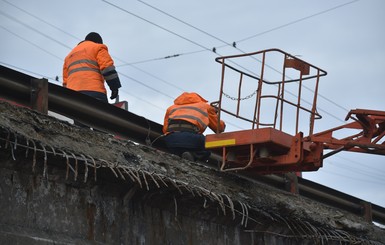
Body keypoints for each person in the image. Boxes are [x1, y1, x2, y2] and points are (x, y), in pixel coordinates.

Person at [162, 92, 226, 161]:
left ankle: (181, 155)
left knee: (178, 148)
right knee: (207, 147)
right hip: (192, 139)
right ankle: (193, 155)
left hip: (171, 139)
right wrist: (214, 113)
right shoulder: (205, 106)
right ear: (199, 99)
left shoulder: (171, 108)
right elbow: (219, 127)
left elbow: (165, 129)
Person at [63, 32, 121, 103]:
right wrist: (114, 87)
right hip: (94, 92)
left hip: (71, 95)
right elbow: (107, 68)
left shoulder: (68, 56)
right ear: (98, 42)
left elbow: (65, 82)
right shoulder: (98, 47)